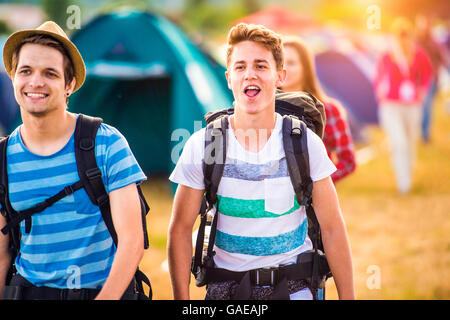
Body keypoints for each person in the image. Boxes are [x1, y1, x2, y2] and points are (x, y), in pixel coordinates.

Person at [167, 23, 354, 300]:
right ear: (228, 77)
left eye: (261, 66)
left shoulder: (303, 141)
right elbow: (181, 230)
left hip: (295, 287)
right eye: (240, 67)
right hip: (227, 290)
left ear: (280, 76)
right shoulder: (203, 144)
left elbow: (332, 228)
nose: (249, 74)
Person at [0, 21, 147, 300]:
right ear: (13, 77)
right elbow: (0, 253)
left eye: (50, 73)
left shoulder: (106, 143)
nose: (36, 82)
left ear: (69, 85)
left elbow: (133, 241)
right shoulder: (1, 157)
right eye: (26, 71)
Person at [281, 36, 356, 183]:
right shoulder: (267, 110)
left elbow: (348, 161)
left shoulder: (328, 110)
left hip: (315, 201)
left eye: (291, 63)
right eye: (280, 63)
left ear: (306, 67)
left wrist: (318, 184)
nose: (284, 69)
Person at [373, 17, 433, 194]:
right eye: (400, 35)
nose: (403, 38)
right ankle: (403, 182)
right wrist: (380, 91)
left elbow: (428, 73)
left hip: (412, 104)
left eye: (406, 35)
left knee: (410, 141)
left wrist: (423, 90)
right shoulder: (387, 54)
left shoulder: (418, 53)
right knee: (398, 142)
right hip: (391, 104)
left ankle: (408, 171)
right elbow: (377, 75)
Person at [415, 15, 447, 143]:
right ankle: (419, 132)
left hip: (430, 79)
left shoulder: (434, 43)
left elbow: (443, 59)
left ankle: (424, 134)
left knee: (426, 105)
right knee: (418, 106)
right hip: (415, 79)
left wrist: (437, 69)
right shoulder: (415, 41)